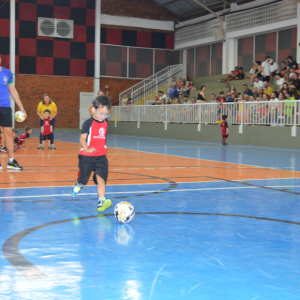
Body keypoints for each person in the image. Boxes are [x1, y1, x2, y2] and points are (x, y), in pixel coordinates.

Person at [70, 95, 112, 213]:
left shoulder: (105, 123)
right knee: (84, 179)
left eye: (106, 114)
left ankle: (101, 201)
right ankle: (79, 183)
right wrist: (87, 148)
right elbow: (82, 139)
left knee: (101, 178)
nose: (103, 116)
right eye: (101, 113)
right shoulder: (87, 123)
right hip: (86, 157)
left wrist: (103, 148)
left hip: (101, 157)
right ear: (93, 110)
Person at [0, 53, 26, 170]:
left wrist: (21, 107)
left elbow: (13, 91)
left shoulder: (7, 73)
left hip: (5, 107)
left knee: (9, 134)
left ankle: (11, 161)